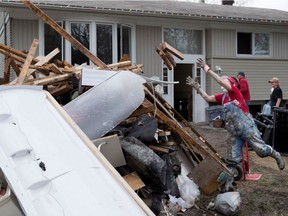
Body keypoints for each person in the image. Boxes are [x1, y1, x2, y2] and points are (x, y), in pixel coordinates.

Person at [186, 58, 285, 171]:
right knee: (232, 160)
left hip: (247, 128)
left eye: (226, 81)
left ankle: (276, 155)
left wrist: (206, 68)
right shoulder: (223, 97)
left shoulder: (235, 92)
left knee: (261, 151)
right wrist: (197, 87)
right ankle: (229, 181)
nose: (223, 83)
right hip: (234, 131)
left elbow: (220, 81)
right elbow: (207, 97)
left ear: (232, 84)